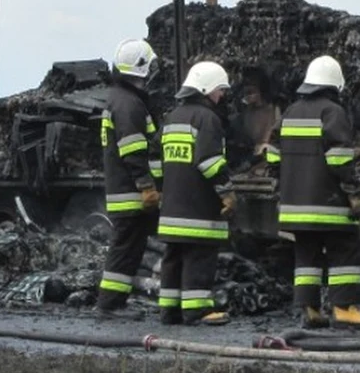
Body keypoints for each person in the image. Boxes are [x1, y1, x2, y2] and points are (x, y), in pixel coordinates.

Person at [266, 56, 360, 329]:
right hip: (329, 204)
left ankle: (311, 309)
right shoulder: (333, 112)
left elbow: (272, 154)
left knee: (306, 255)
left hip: (295, 205)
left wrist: (282, 183)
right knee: (344, 251)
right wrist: (353, 191)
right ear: (333, 85)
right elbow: (339, 159)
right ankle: (344, 308)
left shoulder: (290, 112)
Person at [156, 61, 236, 326]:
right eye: (219, 90)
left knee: (173, 258)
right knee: (199, 258)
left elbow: (156, 161)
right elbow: (209, 161)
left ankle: (169, 311)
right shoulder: (207, 119)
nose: (221, 95)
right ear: (205, 88)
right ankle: (197, 311)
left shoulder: (172, 117)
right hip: (198, 207)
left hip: (172, 206)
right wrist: (227, 192)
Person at [96, 40, 163, 317]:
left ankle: (115, 302)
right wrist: (147, 187)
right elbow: (134, 150)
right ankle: (109, 305)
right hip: (131, 193)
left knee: (130, 248)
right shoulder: (129, 104)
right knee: (124, 249)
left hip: (126, 191)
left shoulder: (121, 99)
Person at [228, 68, 281, 173]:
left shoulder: (273, 110)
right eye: (246, 92)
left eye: (251, 91)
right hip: (248, 160)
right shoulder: (245, 112)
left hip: (266, 161)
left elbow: (271, 137)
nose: (247, 95)